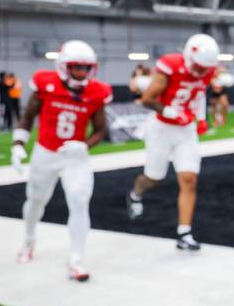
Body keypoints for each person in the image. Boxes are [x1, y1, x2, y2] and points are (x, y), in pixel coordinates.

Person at [11, 40, 112, 281]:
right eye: (76, 67)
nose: (81, 73)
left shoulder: (97, 91)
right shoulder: (46, 83)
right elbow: (27, 116)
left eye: (85, 68)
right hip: (45, 152)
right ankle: (29, 240)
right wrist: (17, 145)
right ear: (63, 66)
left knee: (79, 202)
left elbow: (100, 130)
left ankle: (76, 259)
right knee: (36, 201)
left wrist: (84, 145)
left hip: (75, 157)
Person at [125, 34, 220, 251]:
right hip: (161, 127)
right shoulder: (170, 65)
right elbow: (147, 99)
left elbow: (199, 94)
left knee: (189, 179)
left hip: (185, 130)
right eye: (198, 66)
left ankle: (184, 233)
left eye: (205, 68)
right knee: (154, 177)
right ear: (188, 56)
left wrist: (202, 117)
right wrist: (172, 112)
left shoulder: (207, 69)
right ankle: (135, 193)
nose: (201, 71)